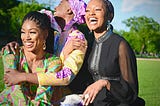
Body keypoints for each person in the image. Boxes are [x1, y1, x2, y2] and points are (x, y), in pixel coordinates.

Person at [1, 0, 93, 104]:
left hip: (55, 94)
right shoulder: (53, 31)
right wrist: (14, 45)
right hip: (29, 92)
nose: (55, 8)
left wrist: (22, 76)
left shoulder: (78, 39)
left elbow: (66, 76)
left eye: (60, 4)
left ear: (69, 10)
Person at [82, 0, 145, 106]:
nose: (91, 13)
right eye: (87, 10)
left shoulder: (121, 45)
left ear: (110, 16)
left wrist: (105, 83)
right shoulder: (88, 43)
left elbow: (131, 91)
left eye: (97, 10)